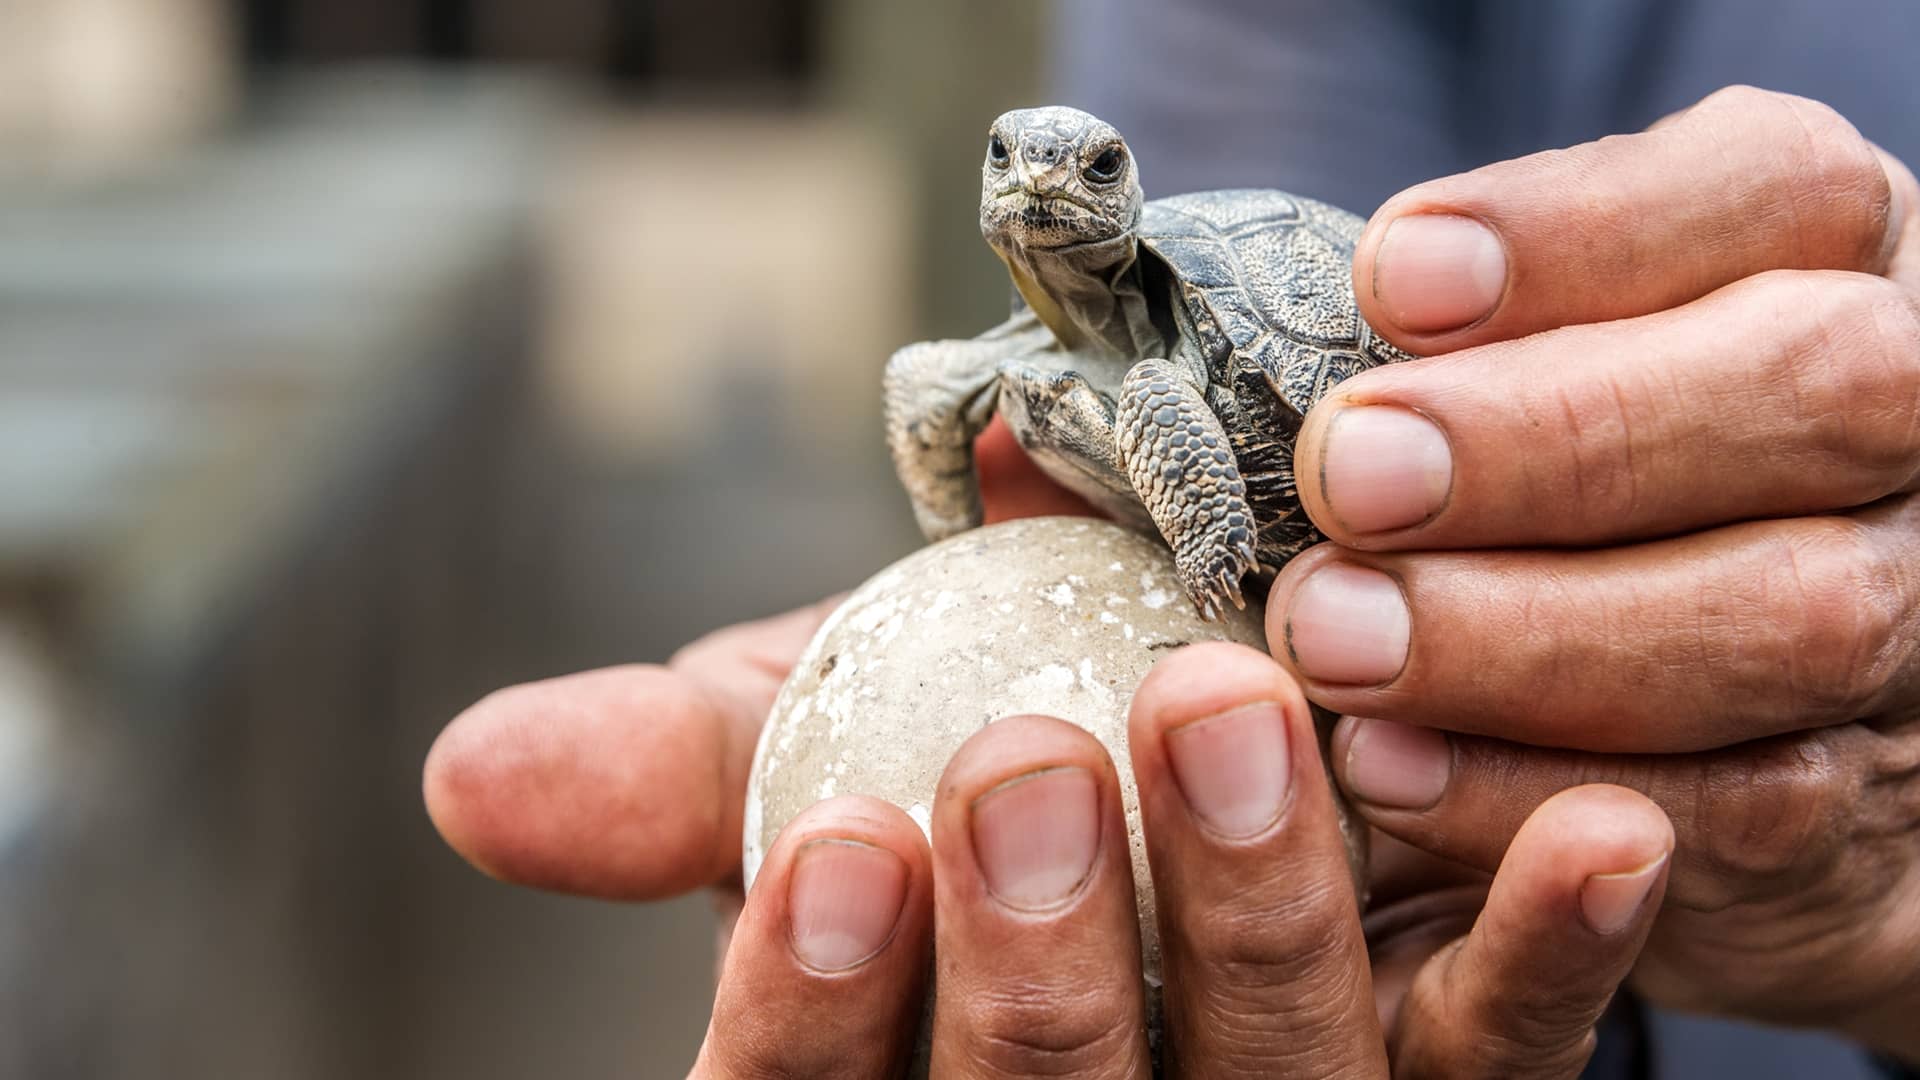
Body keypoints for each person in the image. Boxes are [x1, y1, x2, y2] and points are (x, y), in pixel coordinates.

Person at [424, 2, 1920, 1075]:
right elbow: (940, 401)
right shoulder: (1018, 361)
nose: (1045, 192)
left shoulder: (1161, 364)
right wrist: (954, 565)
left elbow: (1179, 423)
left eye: (1089, 172)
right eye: (1018, 163)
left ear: (1125, 197)